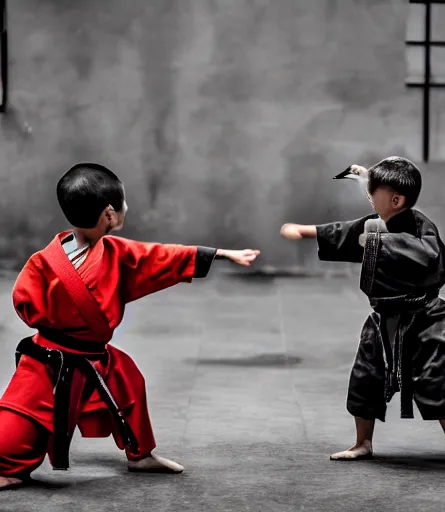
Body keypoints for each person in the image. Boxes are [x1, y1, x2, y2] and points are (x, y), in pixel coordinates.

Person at [0, 162, 260, 490]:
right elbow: (28, 302)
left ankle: (140, 455)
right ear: (109, 214)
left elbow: (163, 256)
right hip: (48, 361)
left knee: (128, 380)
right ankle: (7, 467)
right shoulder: (47, 262)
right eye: (123, 203)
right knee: (16, 428)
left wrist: (220, 253)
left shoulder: (99, 255)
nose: (127, 208)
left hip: (93, 354)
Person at [280, 156, 445, 471]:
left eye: (374, 193)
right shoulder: (375, 224)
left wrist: (376, 243)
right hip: (384, 317)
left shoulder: (421, 226)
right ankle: (363, 443)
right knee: (365, 377)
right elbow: (348, 231)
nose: (369, 197)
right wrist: (307, 231)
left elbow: (427, 255)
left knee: (441, 378)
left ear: (397, 200)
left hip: (427, 316)